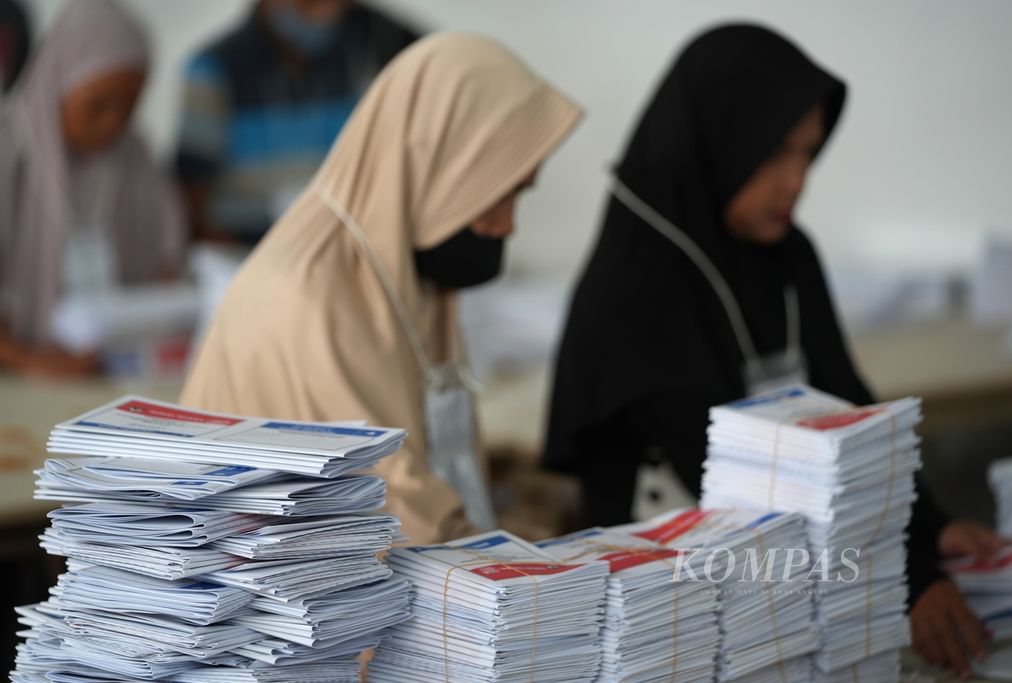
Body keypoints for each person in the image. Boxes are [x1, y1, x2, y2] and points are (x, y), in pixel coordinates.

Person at [543, 24, 1008, 679]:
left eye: (808, 154)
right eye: (773, 153)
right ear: (717, 139)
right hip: (665, 615)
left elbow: (849, 402)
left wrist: (929, 521)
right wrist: (910, 570)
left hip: (789, 572)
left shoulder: (788, 253)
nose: (796, 180)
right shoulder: (638, 286)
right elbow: (737, 475)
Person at [181, 32, 581, 545]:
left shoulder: (407, 274)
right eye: (496, 195)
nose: (506, 226)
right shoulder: (307, 294)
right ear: (436, 169)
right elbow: (391, 516)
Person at [0, 0, 185, 376]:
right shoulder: (9, 157)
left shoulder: (135, 160)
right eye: (98, 104)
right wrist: (31, 361)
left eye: (130, 105)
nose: (114, 123)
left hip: (118, 369)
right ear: (58, 82)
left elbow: (170, 270)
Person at [175, 0, 419, 246]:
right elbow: (191, 196)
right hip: (245, 252)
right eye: (309, 5)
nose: (324, 15)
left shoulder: (359, 61)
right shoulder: (214, 70)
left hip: (337, 247)